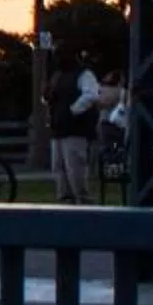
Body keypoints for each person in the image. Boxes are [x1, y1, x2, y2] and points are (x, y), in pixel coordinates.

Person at [51, 66, 100, 203]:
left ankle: (82, 199)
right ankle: (65, 198)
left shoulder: (84, 75)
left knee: (75, 166)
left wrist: (73, 110)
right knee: (58, 166)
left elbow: (91, 95)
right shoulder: (57, 75)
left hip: (75, 128)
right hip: (58, 127)